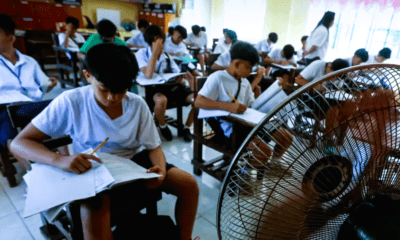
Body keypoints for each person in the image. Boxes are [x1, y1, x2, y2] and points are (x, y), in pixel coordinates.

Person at [10, 43, 200, 240]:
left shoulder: (137, 104)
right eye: (105, 89)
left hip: (133, 164)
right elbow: (19, 143)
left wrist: (159, 169)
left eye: (121, 90)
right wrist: (59, 160)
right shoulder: (72, 101)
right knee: (95, 209)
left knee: (188, 184)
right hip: (93, 167)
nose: (113, 98)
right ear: (88, 75)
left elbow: (154, 147)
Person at [195, 41, 293, 170]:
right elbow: (199, 101)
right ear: (236, 63)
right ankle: (243, 173)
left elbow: (251, 105)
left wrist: (265, 95)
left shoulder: (245, 82)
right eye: (248, 67)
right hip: (231, 127)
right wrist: (228, 106)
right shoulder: (218, 78)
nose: (250, 71)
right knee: (264, 151)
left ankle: (274, 162)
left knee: (286, 137)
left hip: (248, 122)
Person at [0, 14, 58, 149]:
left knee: (58, 106)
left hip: (28, 105)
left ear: (11, 39)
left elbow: (43, 85)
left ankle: (62, 156)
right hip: (4, 108)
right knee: (8, 122)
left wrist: (49, 84)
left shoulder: (29, 62)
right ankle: (33, 162)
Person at [135, 25, 195, 142]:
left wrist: (180, 78)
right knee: (161, 100)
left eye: (161, 41)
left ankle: (186, 128)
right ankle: (163, 125)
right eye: (157, 41)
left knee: (197, 100)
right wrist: (155, 53)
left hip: (172, 88)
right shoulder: (141, 54)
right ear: (151, 41)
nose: (160, 44)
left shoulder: (166, 56)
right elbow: (148, 74)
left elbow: (177, 73)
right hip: (154, 90)